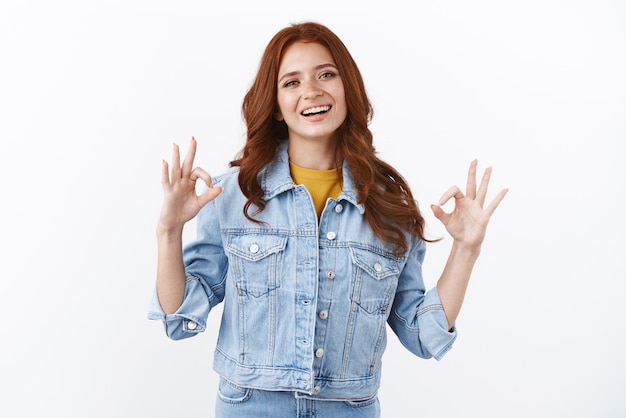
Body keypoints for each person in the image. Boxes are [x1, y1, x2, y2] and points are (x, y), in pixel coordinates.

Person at [148, 21, 508, 418]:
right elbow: (179, 317)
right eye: (291, 82)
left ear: (347, 88)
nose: (312, 91)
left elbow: (423, 336)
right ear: (275, 105)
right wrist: (169, 231)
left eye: (326, 74)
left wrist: (466, 248)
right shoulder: (233, 195)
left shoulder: (389, 205)